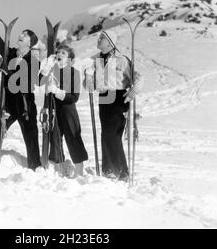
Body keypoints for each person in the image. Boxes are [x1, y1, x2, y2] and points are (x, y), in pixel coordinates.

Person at [0, 0, 41, 170]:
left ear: (30, 43)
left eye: (24, 37)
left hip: (25, 105)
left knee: (31, 138)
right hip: (8, 103)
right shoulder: (10, 53)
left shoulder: (33, 61)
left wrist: (10, 73)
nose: (20, 37)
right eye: (20, 35)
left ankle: (36, 168)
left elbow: (27, 83)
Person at [84, 29, 143, 181]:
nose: (98, 40)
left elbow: (139, 77)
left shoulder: (122, 60)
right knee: (108, 135)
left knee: (111, 135)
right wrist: (88, 80)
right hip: (104, 98)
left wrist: (133, 91)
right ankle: (115, 171)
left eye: (102, 38)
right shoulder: (95, 59)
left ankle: (116, 171)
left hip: (118, 98)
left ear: (110, 43)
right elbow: (87, 77)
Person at [40, 44, 88, 176]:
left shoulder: (74, 73)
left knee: (73, 137)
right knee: (55, 138)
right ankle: (58, 169)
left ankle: (79, 169)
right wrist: (47, 67)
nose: (59, 54)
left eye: (64, 53)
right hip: (53, 111)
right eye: (58, 52)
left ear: (70, 59)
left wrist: (56, 91)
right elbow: (38, 82)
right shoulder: (51, 70)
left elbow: (74, 97)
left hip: (68, 111)